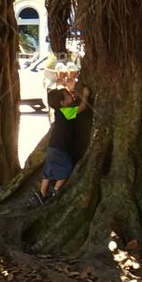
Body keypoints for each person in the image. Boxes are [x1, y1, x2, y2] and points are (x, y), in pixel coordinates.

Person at [35, 62, 89, 204]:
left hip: (53, 146)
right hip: (60, 148)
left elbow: (74, 106)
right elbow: (82, 108)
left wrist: (75, 98)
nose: (71, 96)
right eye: (68, 96)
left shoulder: (61, 111)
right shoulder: (66, 112)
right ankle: (56, 192)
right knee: (66, 170)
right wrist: (85, 96)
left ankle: (41, 194)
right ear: (63, 103)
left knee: (48, 172)